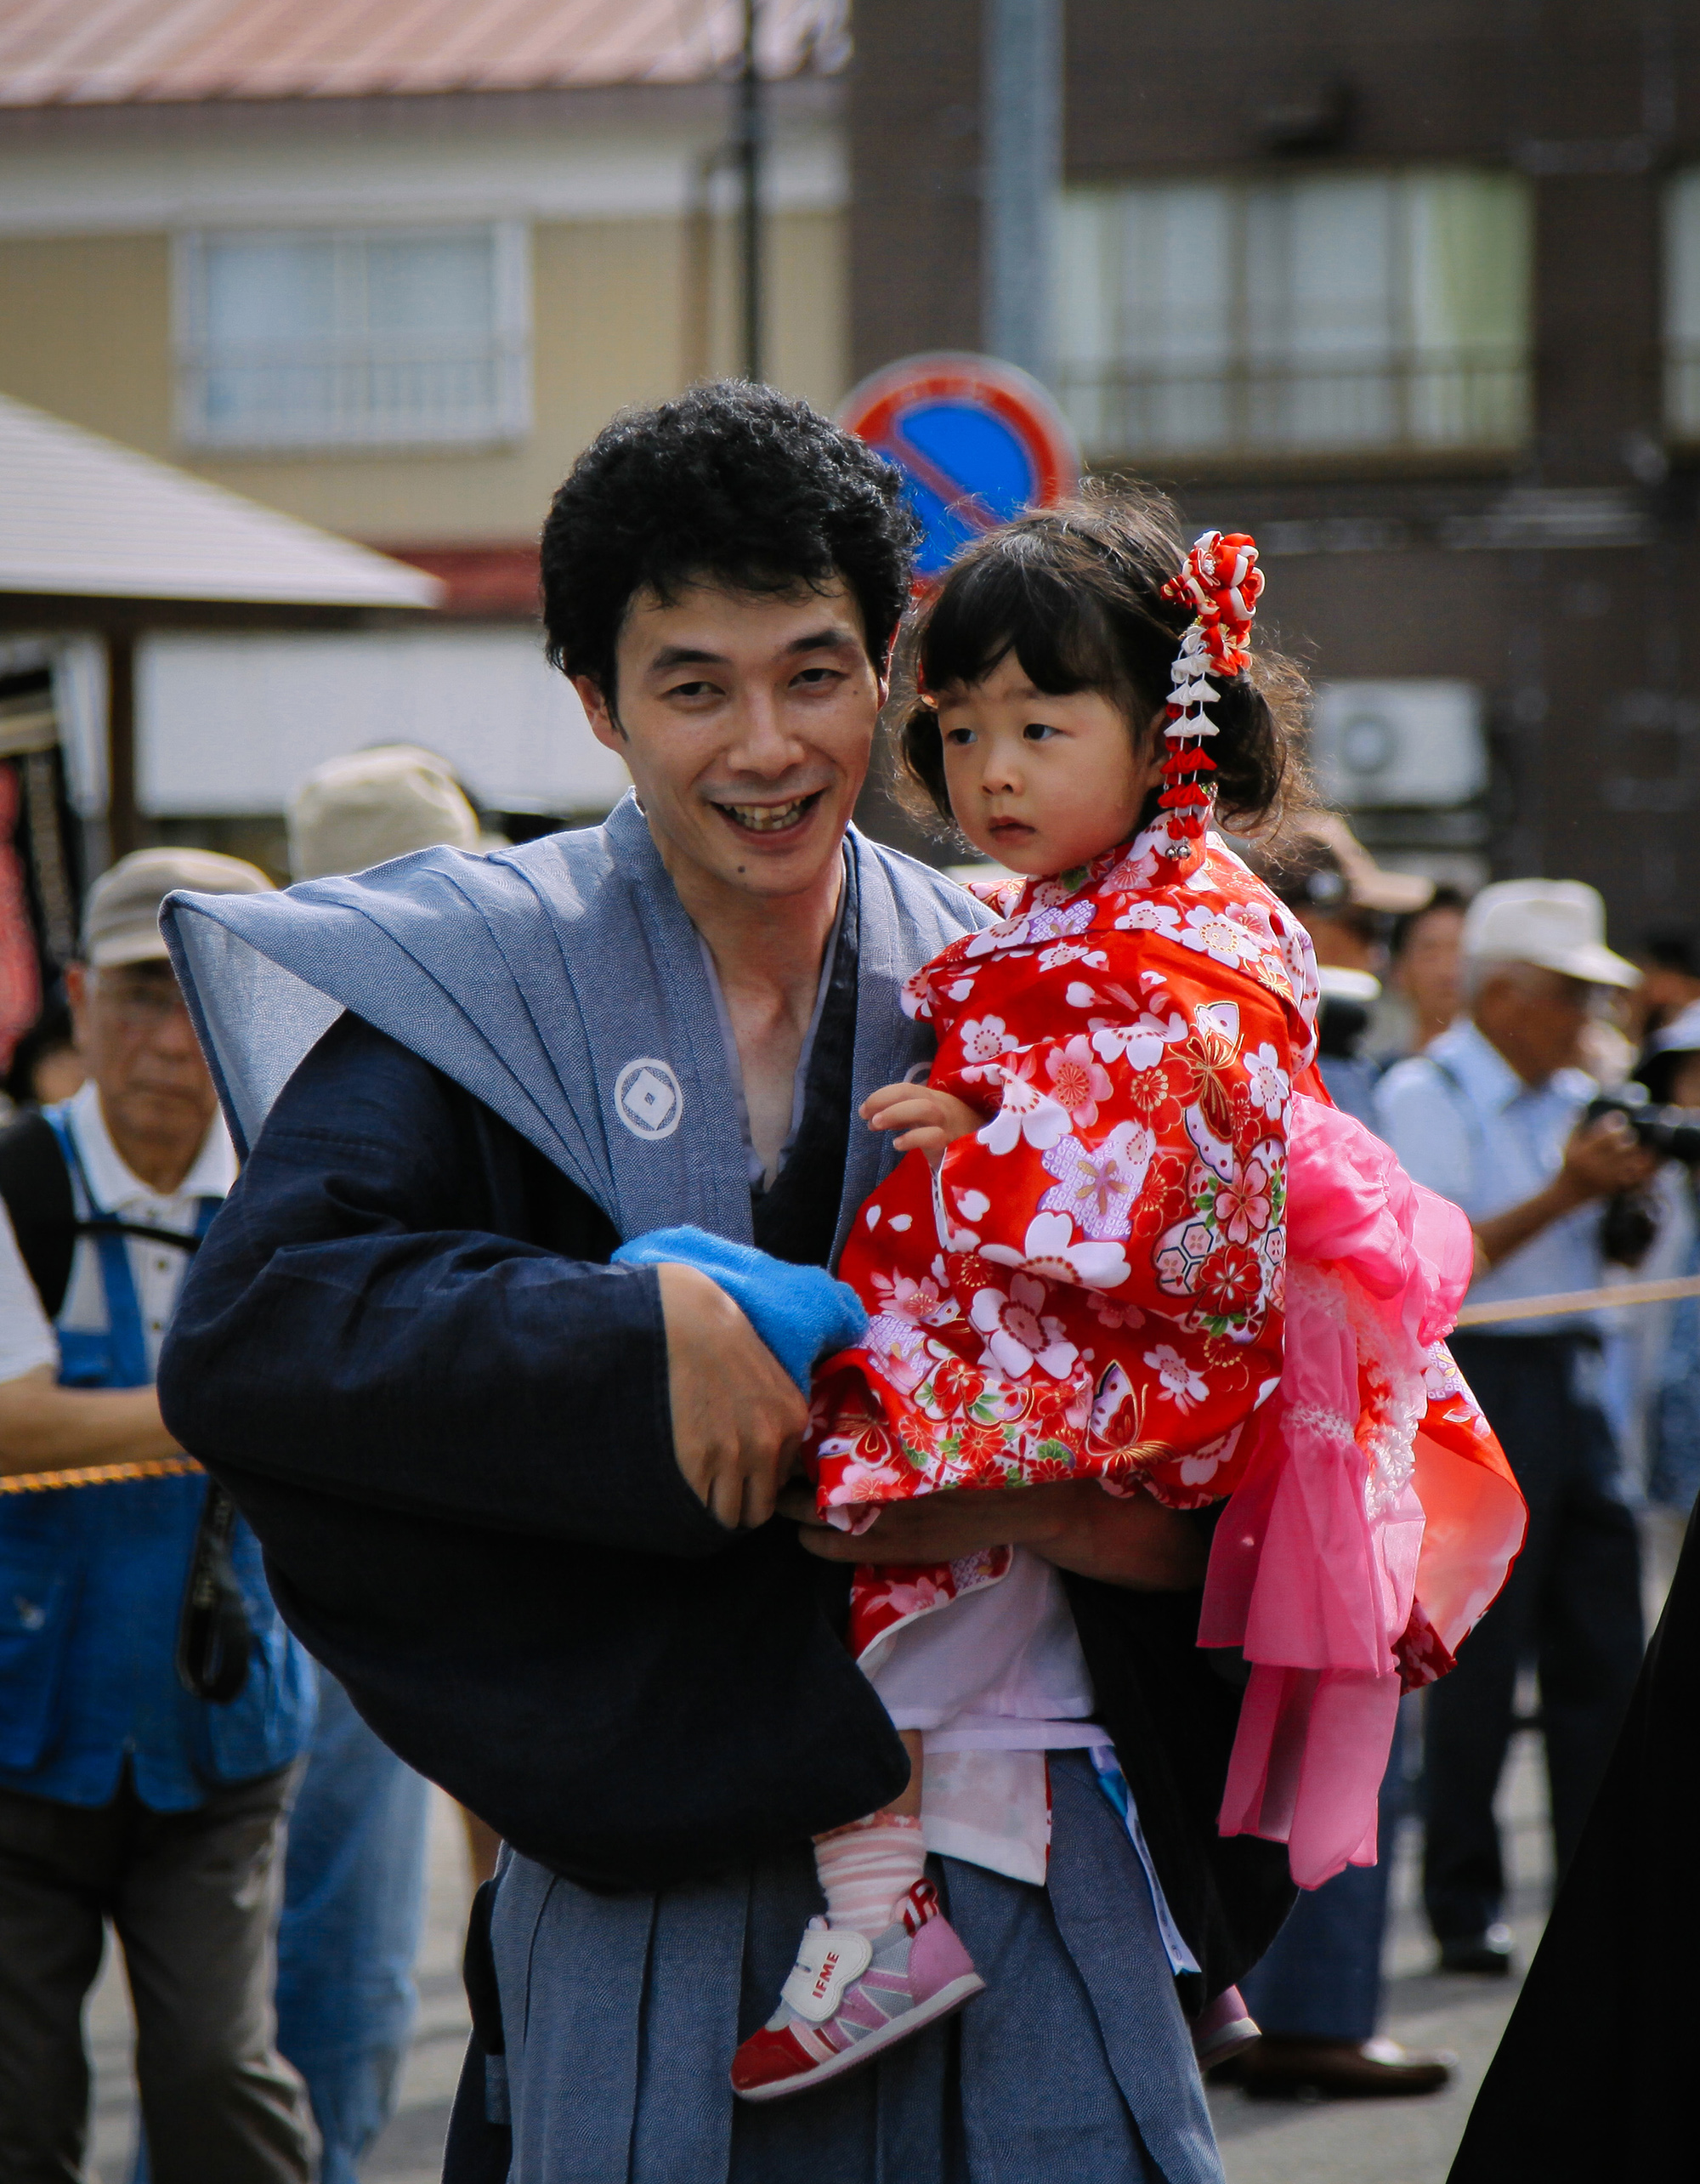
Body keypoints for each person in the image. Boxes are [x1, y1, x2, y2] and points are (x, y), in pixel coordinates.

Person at [154, 385, 1297, 2184]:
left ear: (891, 667)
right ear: (598, 705)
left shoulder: (1029, 973)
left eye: (815, 673)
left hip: (1023, 1841)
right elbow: (252, 1338)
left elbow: (1234, 1393)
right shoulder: (480, 982)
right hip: (656, 1861)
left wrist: (1071, 1508)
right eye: (693, 687)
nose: (765, 744)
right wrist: (635, 1332)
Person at [714, 509, 1521, 2100]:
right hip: (1070, 1336)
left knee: (857, 1546)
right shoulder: (1081, 908)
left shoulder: (1188, 926)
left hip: (1120, 1361)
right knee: (1001, 1654)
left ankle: (891, 1916)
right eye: (956, 731)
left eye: (1038, 724)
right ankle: (1156, 1926)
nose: (988, 770)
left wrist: (1006, 1139)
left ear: (1166, 733)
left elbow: (1207, 1171)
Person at [0, 848, 316, 2184]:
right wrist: (228, 1404)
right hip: (17, 1730)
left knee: (213, 2079)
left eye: (205, 993)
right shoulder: (19, 1178)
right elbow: (9, 1423)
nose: (172, 1034)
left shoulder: (304, 1190)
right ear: (77, 998)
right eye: (140, 990)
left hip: (223, 1724)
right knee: (15, 2104)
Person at [266, 746, 484, 2184]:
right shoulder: (455, 1036)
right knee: (353, 1869)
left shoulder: (272, 1034)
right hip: (403, 1508)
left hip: (353, 1502)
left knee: (302, 1877)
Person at [1376, 880, 1657, 1975]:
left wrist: (1621, 1193)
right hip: (1472, 1376)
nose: (1583, 1020)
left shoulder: (1583, 1092)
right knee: (1476, 1661)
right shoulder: (1421, 1092)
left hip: (1578, 1372)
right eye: (1564, 995)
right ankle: (1462, 1902)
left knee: (1603, 1653)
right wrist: (1566, 1191)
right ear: (1501, 994)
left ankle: (1597, 1896)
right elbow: (1428, 1269)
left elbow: (1621, 1251)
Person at [1389, 887, 1468, 1056]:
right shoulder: (1379, 1077)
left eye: (1460, 952)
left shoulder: (1510, 1076)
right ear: (1399, 971)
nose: (1447, 969)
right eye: (1430, 953)